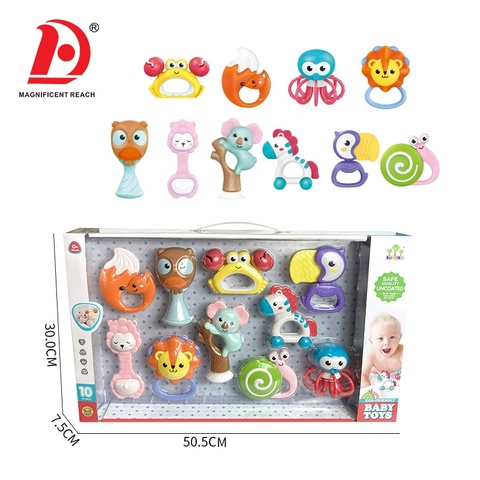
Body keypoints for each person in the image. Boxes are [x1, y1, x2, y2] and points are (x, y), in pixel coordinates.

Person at [361, 314, 403, 388]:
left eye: (392, 337)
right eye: (380, 338)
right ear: (371, 341)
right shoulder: (371, 356)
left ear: (399, 338)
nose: (386, 342)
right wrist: (369, 389)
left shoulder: (402, 351)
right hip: (377, 372)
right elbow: (363, 375)